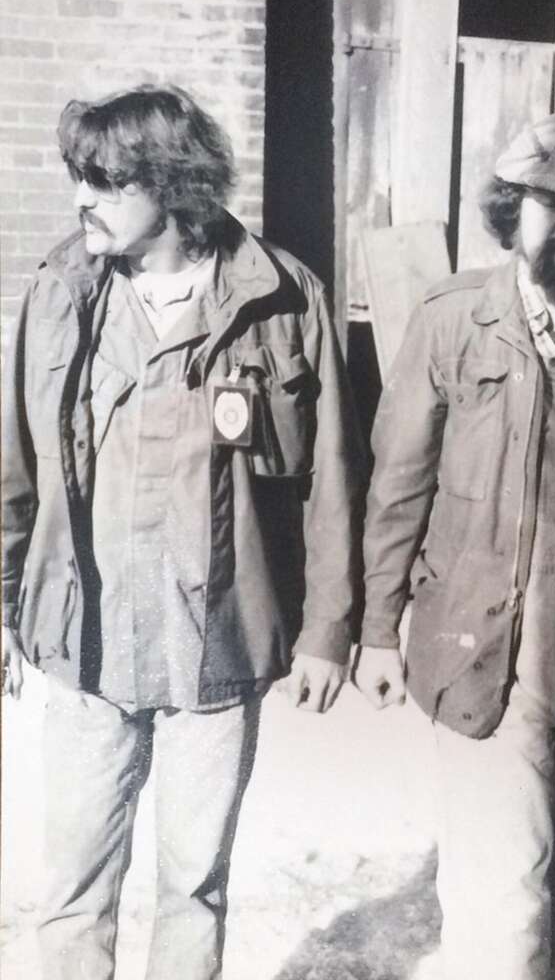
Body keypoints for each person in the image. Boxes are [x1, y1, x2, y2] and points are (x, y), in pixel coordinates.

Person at [1, 84, 364, 980]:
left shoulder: (281, 298)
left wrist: (328, 632)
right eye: (77, 176)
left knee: (193, 886)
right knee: (76, 890)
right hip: (83, 643)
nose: (81, 197)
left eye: (105, 180)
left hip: (220, 644)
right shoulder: (60, 290)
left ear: (174, 186)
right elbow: (10, 461)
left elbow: (333, 483)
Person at [355, 110, 555, 980]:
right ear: (513, 211)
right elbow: (398, 487)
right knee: (504, 904)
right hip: (487, 635)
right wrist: (379, 629)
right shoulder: (455, 320)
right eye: (549, 205)